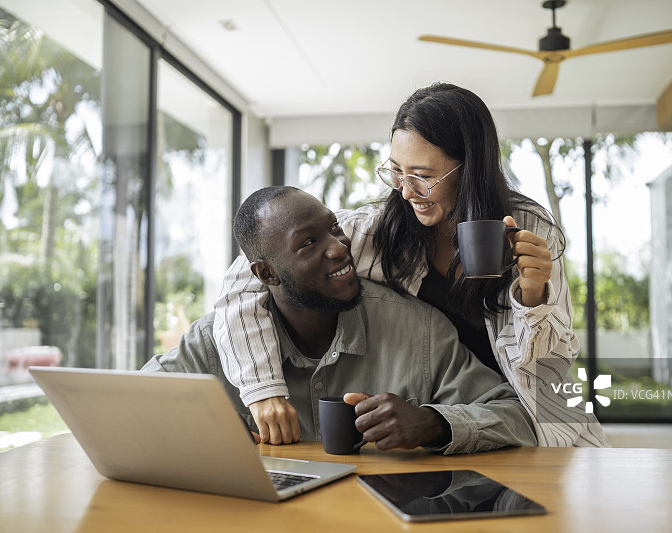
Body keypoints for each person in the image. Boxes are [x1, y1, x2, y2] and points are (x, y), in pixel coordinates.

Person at [214, 82, 610, 447]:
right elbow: (246, 278)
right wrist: (263, 389)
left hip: (536, 418)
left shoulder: (527, 226)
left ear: (469, 167)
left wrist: (534, 297)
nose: (405, 191)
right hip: (451, 421)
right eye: (396, 171)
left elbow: (550, 366)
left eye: (422, 176)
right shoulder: (374, 230)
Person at [143, 186, 537, 453]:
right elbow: (131, 407)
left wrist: (432, 423)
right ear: (265, 274)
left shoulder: (418, 331)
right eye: (309, 242)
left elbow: (515, 417)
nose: (339, 248)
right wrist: (204, 434)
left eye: (334, 229)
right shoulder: (214, 343)